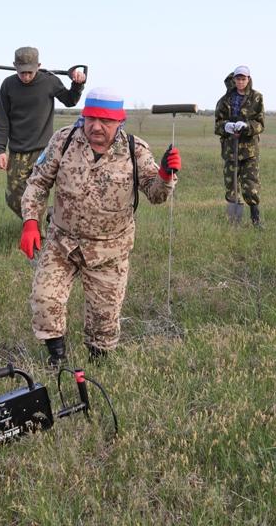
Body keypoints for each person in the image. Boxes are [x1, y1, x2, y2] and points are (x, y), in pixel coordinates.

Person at [18, 88, 181, 365]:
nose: (95, 126)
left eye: (105, 121)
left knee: (104, 322)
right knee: (45, 300)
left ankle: (99, 363)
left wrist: (165, 175)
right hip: (62, 243)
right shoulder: (64, 140)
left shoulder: (134, 150)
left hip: (109, 251)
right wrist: (30, 222)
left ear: (120, 121)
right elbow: (38, 182)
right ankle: (57, 360)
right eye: (90, 118)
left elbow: (155, 195)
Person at [0, 46, 86, 218]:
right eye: (22, 72)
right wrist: (0, 150)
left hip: (44, 151)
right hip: (17, 151)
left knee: (39, 193)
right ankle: (46, 218)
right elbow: (2, 120)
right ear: (15, 66)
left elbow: (70, 100)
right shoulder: (8, 85)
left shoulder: (49, 82)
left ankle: (39, 236)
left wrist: (77, 84)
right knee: (13, 198)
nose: (26, 76)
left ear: (39, 65)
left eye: (30, 72)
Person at [214, 65, 265, 227]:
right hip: (230, 150)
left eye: (244, 79)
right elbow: (217, 125)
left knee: (250, 187)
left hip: (249, 151)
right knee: (231, 186)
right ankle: (233, 223)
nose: (241, 82)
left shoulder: (257, 98)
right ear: (234, 80)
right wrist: (226, 127)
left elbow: (260, 124)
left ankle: (256, 220)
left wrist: (247, 126)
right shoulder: (224, 100)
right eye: (238, 79)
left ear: (248, 79)